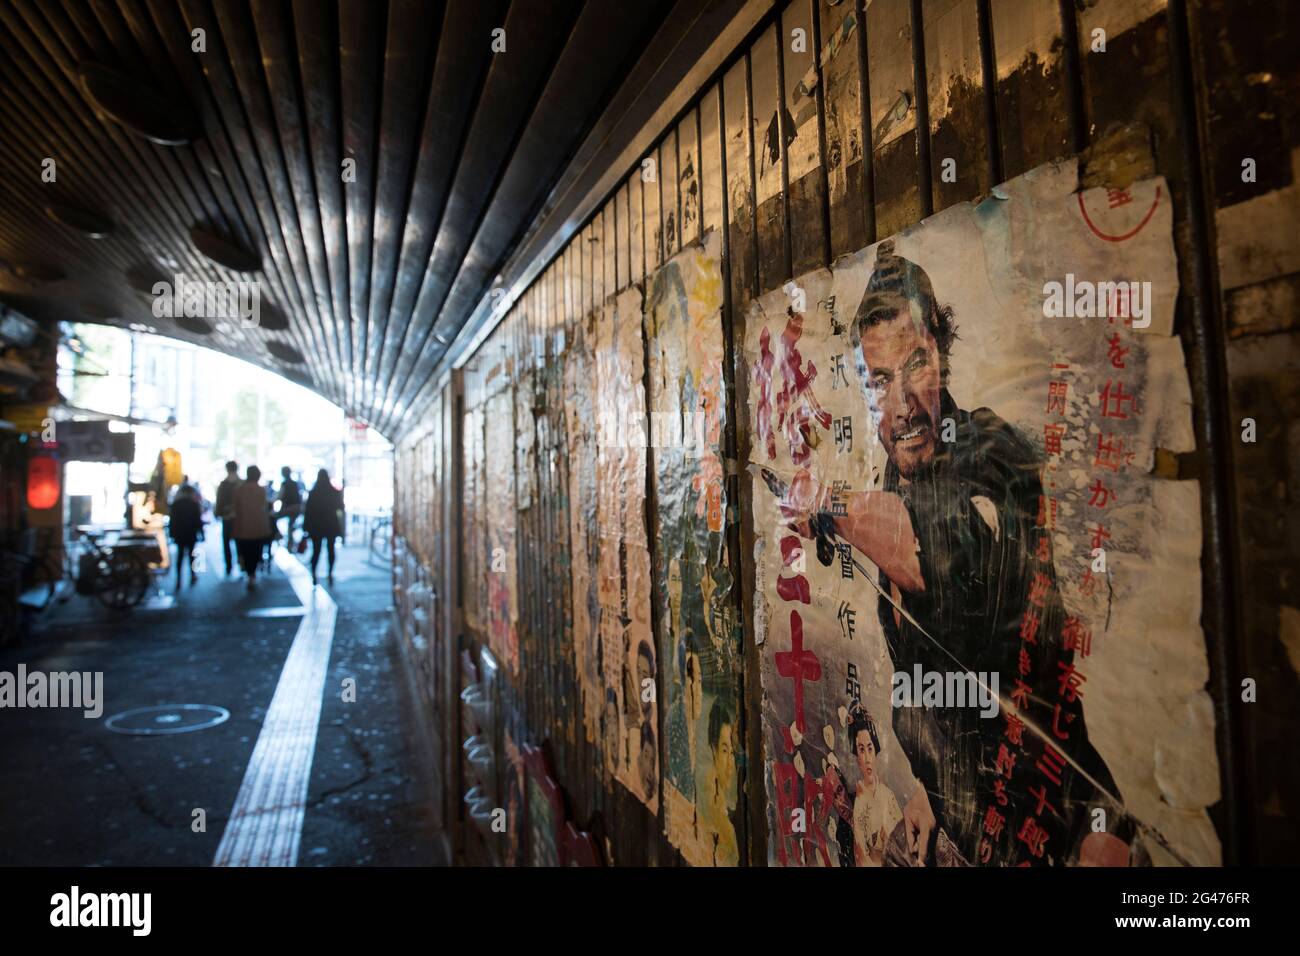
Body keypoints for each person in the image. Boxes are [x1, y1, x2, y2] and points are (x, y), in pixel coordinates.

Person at [779, 240, 1131, 868]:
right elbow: (945, 672)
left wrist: (825, 505)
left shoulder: (988, 453)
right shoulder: (899, 473)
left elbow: (916, 550)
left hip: (1068, 832)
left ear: (941, 352)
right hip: (984, 832)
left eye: (915, 365)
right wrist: (930, 792)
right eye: (879, 380)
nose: (902, 403)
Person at [846, 707, 901, 867]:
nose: (867, 758)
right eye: (861, 750)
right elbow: (861, 859)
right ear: (856, 756)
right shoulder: (860, 801)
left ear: (876, 750)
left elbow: (904, 843)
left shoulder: (887, 794)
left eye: (870, 749)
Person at [231, 465, 272, 590]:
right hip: (258, 526)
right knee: (256, 550)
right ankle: (252, 573)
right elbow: (265, 507)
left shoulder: (239, 490)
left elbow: (235, 509)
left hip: (242, 526)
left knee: (246, 551)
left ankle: (249, 573)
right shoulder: (261, 490)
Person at [302, 469, 345, 586]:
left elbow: (308, 512)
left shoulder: (313, 493)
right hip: (331, 525)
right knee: (331, 550)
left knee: (316, 551)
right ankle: (330, 573)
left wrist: (305, 527)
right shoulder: (333, 492)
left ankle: (314, 574)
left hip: (316, 526)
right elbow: (340, 507)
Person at [168, 484, 203, 592]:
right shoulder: (194, 504)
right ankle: (193, 575)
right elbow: (198, 520)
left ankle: (179, 579)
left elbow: (172, 521)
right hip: (191, 533)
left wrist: (171, 533)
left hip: (179, 534)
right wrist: (201, 533)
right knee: (192, 555)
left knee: (180, 556)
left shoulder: (176, 504)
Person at [213, 461, 241, 576]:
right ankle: (241, 563)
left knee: (226, 542)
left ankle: (229, 565)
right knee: (240, 541)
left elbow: (219, 501)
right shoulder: (241, 483)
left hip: (226, 517)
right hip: (239, 517)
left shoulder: (223, 484)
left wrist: (218, 513)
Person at [276, 466, 304, 547]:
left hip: (288, 508)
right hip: (297, 508)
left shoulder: (284, 484)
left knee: (273, 518)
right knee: (290, 525)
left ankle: (279, 536)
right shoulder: (295, 483)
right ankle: (290, 542)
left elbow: (279, 497)